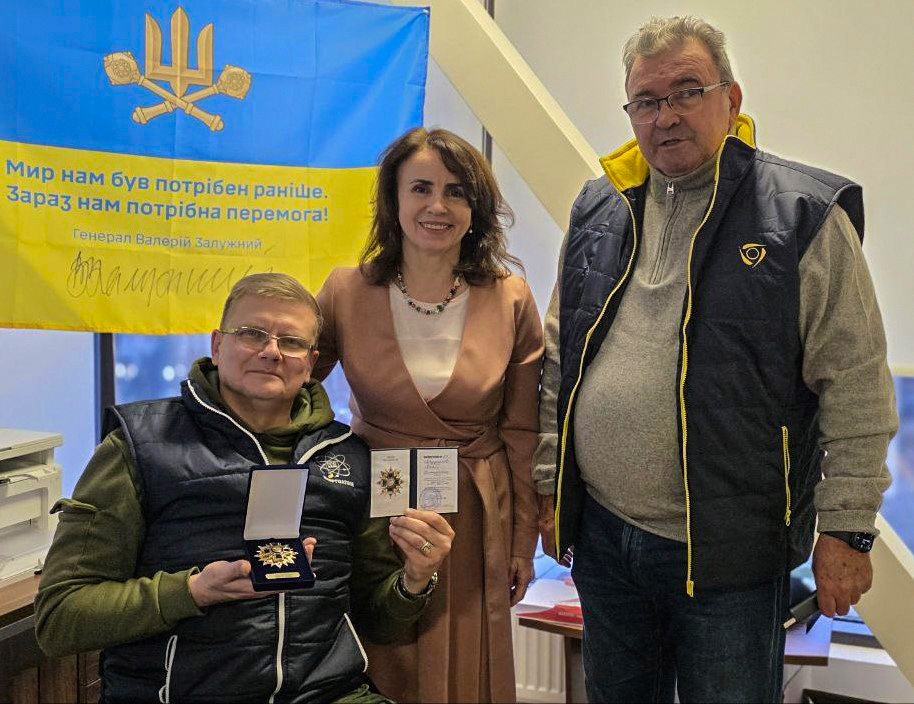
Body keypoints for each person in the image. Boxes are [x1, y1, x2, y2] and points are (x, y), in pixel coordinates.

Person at [533, 15, 898, 703]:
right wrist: (551, 489)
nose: (666, 115)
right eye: (647, 100)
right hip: (605, 541)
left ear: (731, 100)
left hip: (731, 559)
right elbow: (561, 360)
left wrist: (847, 530)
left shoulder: (803, 216)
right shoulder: (600, 206)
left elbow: (855, 386)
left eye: (687, 91)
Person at [34, 273, 454, 703]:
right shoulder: (139, 445)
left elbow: (378, 621)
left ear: (311, 363)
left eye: (291, 342)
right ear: (217, 345)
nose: (271, 351)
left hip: (330, 694)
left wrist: (415, 579)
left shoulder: (349, 455)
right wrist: (192, 591)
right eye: (252, 333)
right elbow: (60, 618)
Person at [314, 127, 543, 703]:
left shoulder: (511, 297)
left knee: (468, 659)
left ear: (476, 208)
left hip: (476, 509)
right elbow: (292, 391)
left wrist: (524, 543)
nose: (437, 206)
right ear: (392, 200)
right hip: (376, 507)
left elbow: (522, 432)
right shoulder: (345, 291)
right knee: (383, 652)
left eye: (456, 192)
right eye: (421, 188)